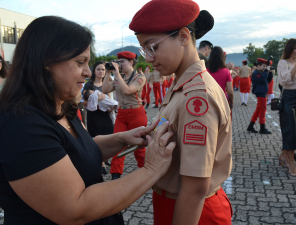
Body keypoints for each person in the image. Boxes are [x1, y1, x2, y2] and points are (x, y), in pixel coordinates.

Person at [0, 16, 176, 225]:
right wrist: (152, 169)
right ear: (46, 62)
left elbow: (78, 151)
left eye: (88, 62)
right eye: (79, 62)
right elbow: (76, 209)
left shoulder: (60, 105)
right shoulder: (22, 125)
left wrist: (123, 138)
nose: (88, 71)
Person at [130, 1, 232, 224]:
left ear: (184, 37)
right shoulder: (181, 83)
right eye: (143, 49)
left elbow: (195, 187)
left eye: (153, 46)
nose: (148, 58)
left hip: (193, 210)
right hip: (175, 203)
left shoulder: (198, 96)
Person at [102, 51, 148, 180]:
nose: (119, 64)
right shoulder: (118, 76)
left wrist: (117, 74)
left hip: (136, 113)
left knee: (139, 146)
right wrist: (107, 73)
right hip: (121, 114)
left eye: (122, 62)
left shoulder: (140, 77)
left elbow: (127, 90)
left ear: (131, 62)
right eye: (118, 62)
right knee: (117, 144)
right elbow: (105, 90)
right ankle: (115, 175)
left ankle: (145, 172)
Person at [278, 38, 296, 177]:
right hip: (288, 98)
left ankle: (285, 155)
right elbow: (285, 80)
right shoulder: (283, 63)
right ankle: (290, 161)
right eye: (295, 48)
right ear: (289, 49)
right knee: (290, 128)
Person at [247, 58, 273, 134]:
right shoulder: (256, 73)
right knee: (263, 110)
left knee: (258, 110)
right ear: (258, 66)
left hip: (262, 92)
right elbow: (262, 80)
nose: (265, 68)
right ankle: (262, 128)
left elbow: (267, 80)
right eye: (263, 66)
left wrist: (270, 72)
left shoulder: (261, 72)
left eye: (265, 66)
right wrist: (266, 71)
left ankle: (250, 126)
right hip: (260, 93)